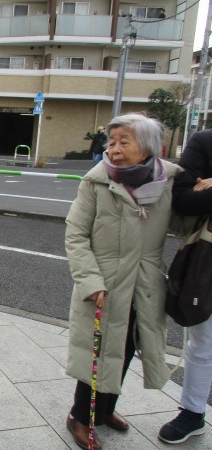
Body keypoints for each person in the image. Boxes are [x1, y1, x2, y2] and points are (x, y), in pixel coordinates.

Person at [65, 113, 181, 450]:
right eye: (111, 142)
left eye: (123, 142)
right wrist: (91, 281)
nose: (113, 149)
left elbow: (186, 223)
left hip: (144, 284)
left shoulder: (169, 181)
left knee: (127, 348)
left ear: (147, 148)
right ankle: (80, 417)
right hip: (104, 283)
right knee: (97, 352)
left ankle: (106, 410)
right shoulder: (96, 181)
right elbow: (76, 234)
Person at [158, 129, 212, 445]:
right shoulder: (205, 141)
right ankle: (193, 412)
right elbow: (184, 199)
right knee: (203, 340)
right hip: (207, 259)